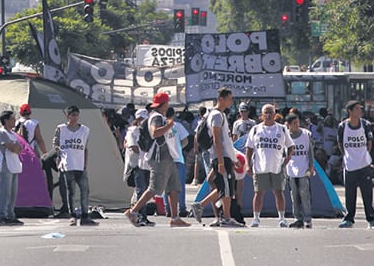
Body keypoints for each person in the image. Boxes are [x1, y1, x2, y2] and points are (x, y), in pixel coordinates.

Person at [124, 93, 190, 227]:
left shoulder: (157, 116)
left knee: (173, 187)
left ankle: (175, 218)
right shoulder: (157, 118)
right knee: (153, 188)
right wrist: (169, 125)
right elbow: (155, 133)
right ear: (164, 103)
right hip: (159, 158)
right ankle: (133, 211)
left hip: (167, 157)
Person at [191, 87, 241, 227]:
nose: (231, 102)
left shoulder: (220, 115)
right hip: (221, 157)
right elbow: (217, 140)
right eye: (229, 99)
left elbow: (226, 140)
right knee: (225, 188)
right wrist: (220, 161)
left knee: (223, 187)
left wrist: (234, 159)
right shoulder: (216, 115)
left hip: (225, 156)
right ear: (221, 99)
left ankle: (205, 207)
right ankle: (225, 217)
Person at [245, 103, 294, 228]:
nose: (268, 115)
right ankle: (256, 218)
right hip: (260, 166)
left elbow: (291, 145)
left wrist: (288, 158)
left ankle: (282, 218)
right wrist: (248, 165)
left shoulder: (282, 129)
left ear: (275, 114)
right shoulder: (256, 129)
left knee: (279, 192)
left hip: (277, 166)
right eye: (266, 112)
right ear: (262, 115)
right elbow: (249, 148)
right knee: (258, 193)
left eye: (270, 112)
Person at [337, 100, 374, 229]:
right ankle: (349, 219)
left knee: (367, 193)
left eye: (360, 109)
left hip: (364, 165)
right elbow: (340, 144)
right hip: (350, 165)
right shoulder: (342, 126)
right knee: (350, 194)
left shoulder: (365, 125)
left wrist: (364, 156)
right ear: (350, 111)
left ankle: (372, 220)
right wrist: (347, 156)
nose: (359, 111)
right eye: (356, 109)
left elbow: (369, 142)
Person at [53, 105, 97, 226]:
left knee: (84, 190)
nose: (75, 117)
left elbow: (85, 148)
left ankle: (84, 215)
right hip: (68, 165)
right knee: (70, 192)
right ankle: (72, 215)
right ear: (68, 116)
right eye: (73, 115)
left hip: (80, 165)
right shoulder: (61, 129)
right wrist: (59, 155)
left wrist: (85, 164)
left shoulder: (84, 130)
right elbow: (56, 144)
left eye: (77, 115)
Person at [0, 110, 24, 226]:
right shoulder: (1, 133)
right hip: (5, 165)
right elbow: (12, 148)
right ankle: (2, 216)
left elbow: (20, 149)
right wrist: (15, 147)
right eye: (12, 119)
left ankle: (10, 215)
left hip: (14, 164)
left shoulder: (13, 134)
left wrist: (16, 147)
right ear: (6, 120)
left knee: (13, 193)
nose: (14, 121)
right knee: (5, 192)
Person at [285, 113, 314, 228]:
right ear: (289, 125)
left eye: (298, 122)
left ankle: (307, 218)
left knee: (305, 193)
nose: (297, 125)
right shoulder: (286, 136)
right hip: (291, 169)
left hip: (304, 168)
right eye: (294, 123)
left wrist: (311, 166)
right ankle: (297, 218)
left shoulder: (306, 134)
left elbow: (310, 151)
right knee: (294, 195)